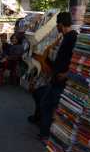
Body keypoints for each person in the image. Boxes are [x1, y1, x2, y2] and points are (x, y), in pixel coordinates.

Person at [29, 11, 77, 141]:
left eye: (57, 24)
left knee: (48, 105)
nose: (56, 27)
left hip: (61, 80)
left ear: (61, 24)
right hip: (56, 78)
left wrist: (66, 74)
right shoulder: (65, 38)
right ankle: (45, 132)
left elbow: (76, 60)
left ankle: (46, 134)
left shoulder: (72, 38)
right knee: (45, 102)